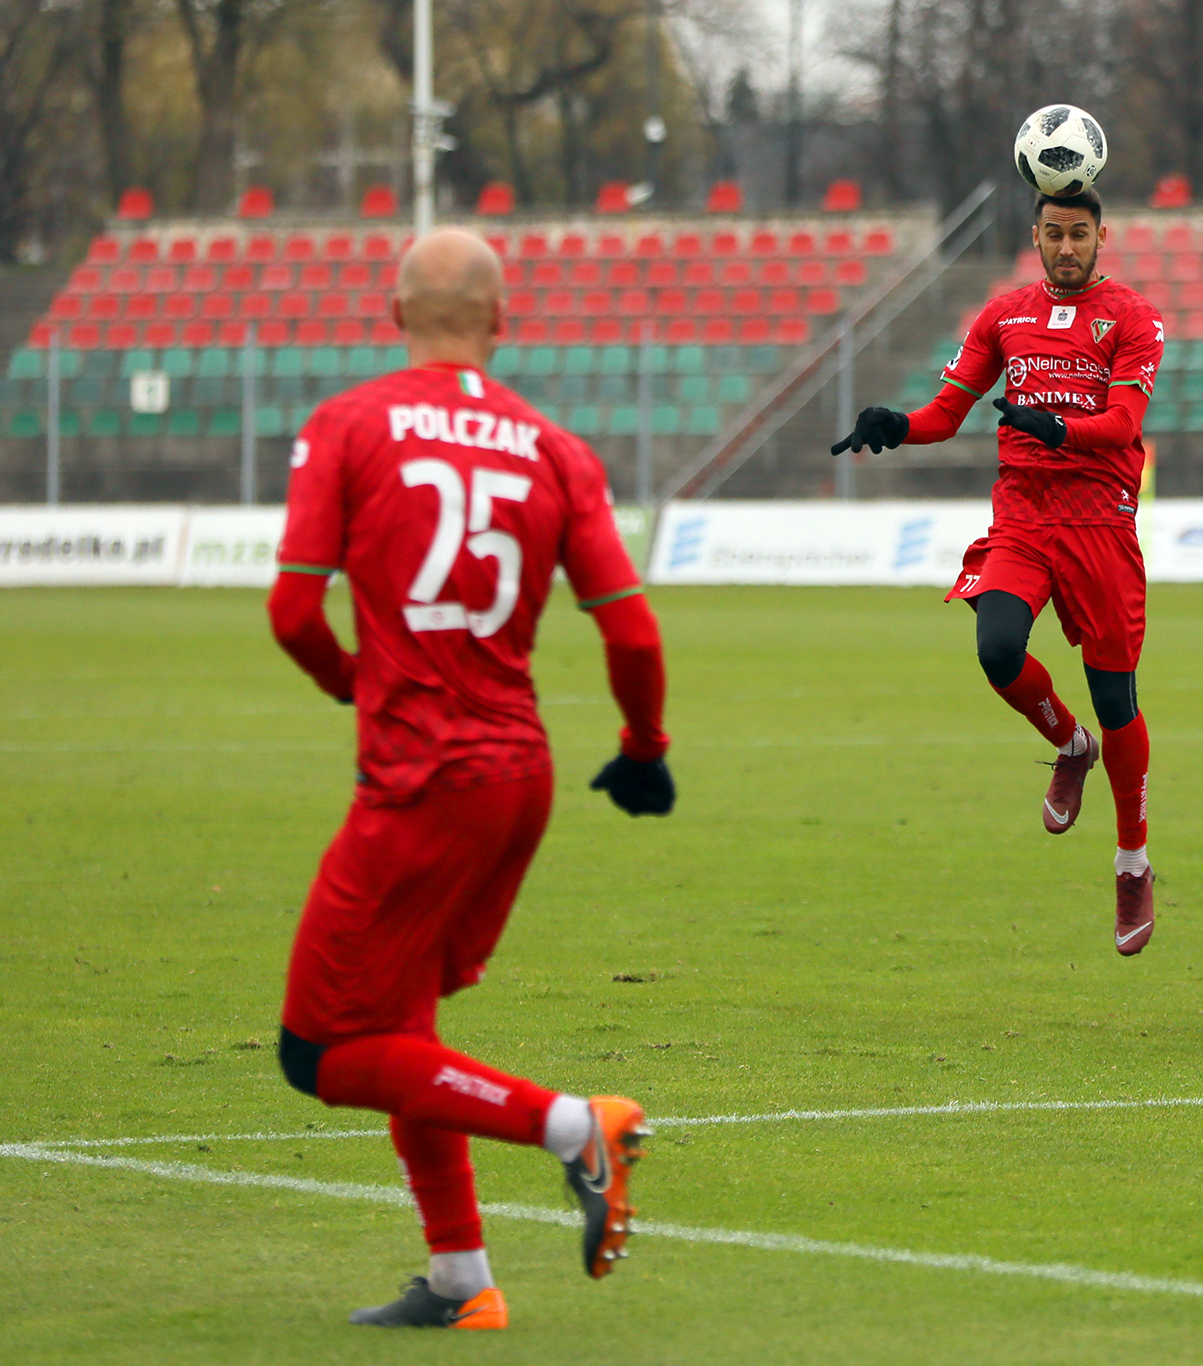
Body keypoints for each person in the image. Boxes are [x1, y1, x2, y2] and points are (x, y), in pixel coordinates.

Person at [267, 228, 676, 1329]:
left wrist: (358, 684)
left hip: (421, 781)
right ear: (503, 320)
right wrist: (643, 747)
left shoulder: (348, 424)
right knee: (401, 1024)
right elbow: (632, 634)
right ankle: (461, 1281)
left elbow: (294, 612)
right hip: (518, 776)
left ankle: (574, 1126)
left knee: (320, 1051)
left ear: (391, 310)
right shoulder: (553, 447)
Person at [830, 187, 1164, 954]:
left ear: (1102, 236)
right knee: (998, 648)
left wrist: (1055, 427)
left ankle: (1132, 861)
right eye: (1054, 234)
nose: (1067, 247)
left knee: (1117, 701)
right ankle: (1070, 745)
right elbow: (945, 413)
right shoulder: (1002, 316)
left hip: (1100, 523)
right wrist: (896, 424)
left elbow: (1123, 424)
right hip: (1024, 516)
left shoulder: (1133, 317)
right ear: (1035, 237)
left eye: (1079, 233)